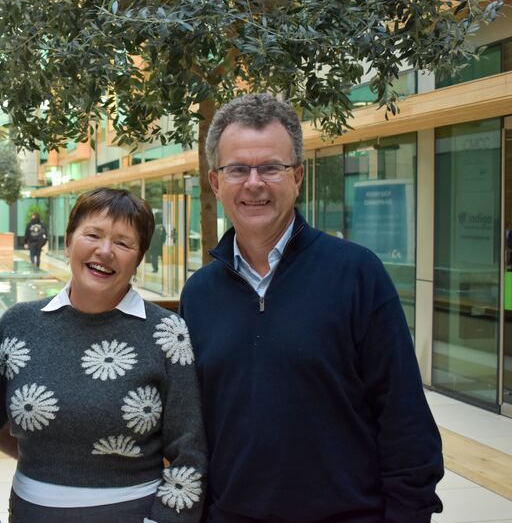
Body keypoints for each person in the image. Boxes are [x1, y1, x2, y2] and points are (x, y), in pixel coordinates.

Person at [179, 94, 443, 522]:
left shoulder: (356, 274)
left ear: (298, 176)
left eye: (271, 167)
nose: (254, 183)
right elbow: (193, 430)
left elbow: (405, 420)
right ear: (215, 182)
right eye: (237, 169)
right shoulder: (199, 294)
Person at [0, 188, 206, 522]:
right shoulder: (18, 324)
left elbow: (189, 453)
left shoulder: (166, 333)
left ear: (139, 258)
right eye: (92, 235)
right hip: (31, 511)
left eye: (123, 243)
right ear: (68, 241)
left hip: (134, 514)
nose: (105, 251)